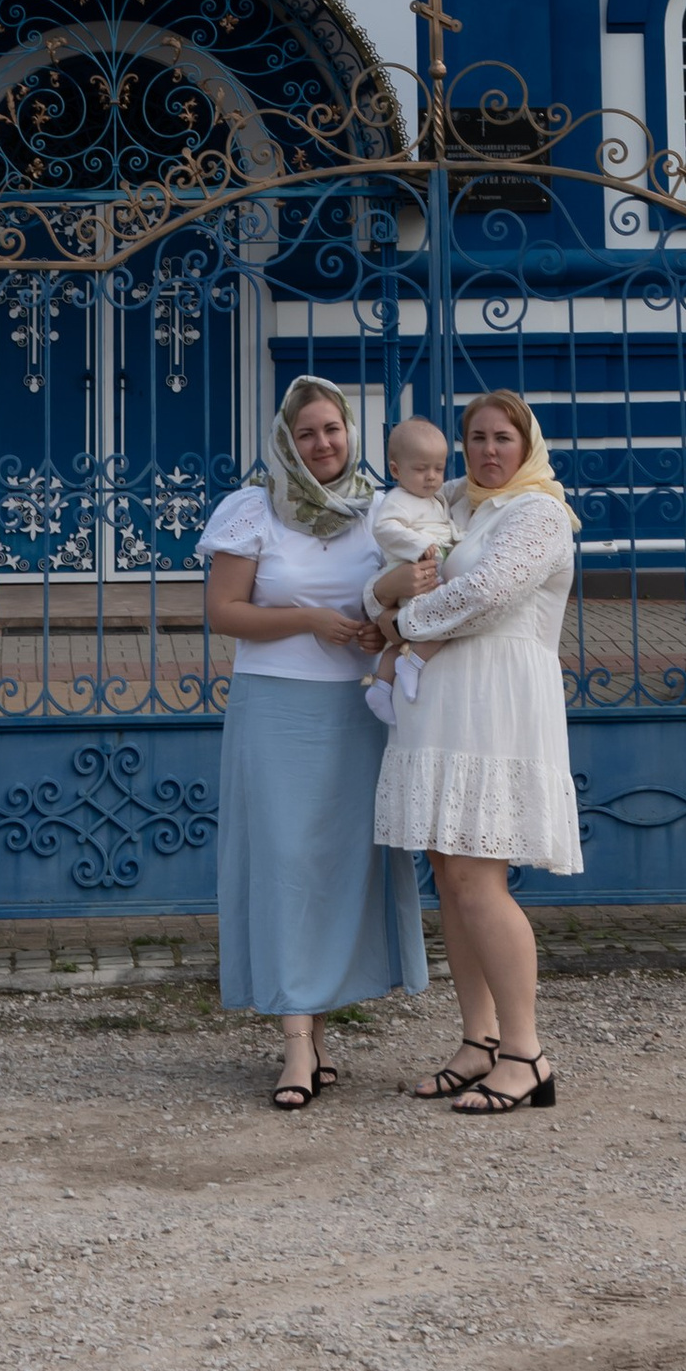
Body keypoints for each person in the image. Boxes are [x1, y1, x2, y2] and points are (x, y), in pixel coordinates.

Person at [200, 376, 430, 1108]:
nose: (323, 443)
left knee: (337, 866)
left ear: (350, 433)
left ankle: (322, 1031)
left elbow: (403, 595)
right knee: (282, 861)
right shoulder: (253, 510)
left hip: (358, 710)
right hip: (275, 708)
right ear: (286, 441)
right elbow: (223, 613)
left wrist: (377, 627)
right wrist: (308, 621)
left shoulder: (379, 513)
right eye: (308, 433)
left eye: (333, 429)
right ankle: (296, 1042)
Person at [371, 385, 582, 1117]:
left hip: (498, 703)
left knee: (479, 880)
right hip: (443, 706)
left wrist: (403, 621)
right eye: (477, 437)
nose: (489, 450)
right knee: (450, 873)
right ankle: (478, 1041)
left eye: (503, 437)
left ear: (527, 444)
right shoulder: (454, 504)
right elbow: (388, 559)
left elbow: (489, 592)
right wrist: (389, 605)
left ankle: (527, 1052)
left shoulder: (540, 512)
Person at [360, 418, 459, 728]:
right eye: (421, 469)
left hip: (427, 568)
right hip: (409, 571)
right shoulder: (398, 500)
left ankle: (382, 687)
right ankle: (414, 662)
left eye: (439, 468)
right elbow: (385, 529)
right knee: (447, 616)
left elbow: (445, 527)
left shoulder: (436, 498)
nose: (431, 477)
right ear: (396, 470)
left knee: (399, 643)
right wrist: (420, 546)